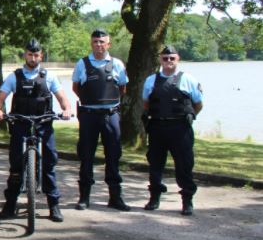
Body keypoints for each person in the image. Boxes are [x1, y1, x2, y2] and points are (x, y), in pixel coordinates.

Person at [0, 39, 73, 222]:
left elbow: (63, 98)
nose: (33, 58)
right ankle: (10, 205)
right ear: (25, 55)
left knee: (49, 165)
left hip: (43, 124)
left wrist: (67, 109)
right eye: (30, 54)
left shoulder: (49, 77)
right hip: (20, 124)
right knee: (16, 167)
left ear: (41, 56)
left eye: (36, 55)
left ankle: (54, 206)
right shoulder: (14, 77)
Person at [71, 29, 130, 211]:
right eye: (95, 41)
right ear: (91, 43)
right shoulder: (82, 64)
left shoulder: (117, 64)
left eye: (102, 42)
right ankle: (84, 197)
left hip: (110, 115)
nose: (99, 44)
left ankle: (115, 197)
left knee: (113, 156)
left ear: (108, 44)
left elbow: (122, 88)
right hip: (89, 116)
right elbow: (76, 88)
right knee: (86, 156)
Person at [141, 45, 203, 215]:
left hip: (180, 129)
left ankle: (187, 201)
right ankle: (154, 198)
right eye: (165, 58)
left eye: (172, 58)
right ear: (160, 59)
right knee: (155, 164)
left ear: (178, 59)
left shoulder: (188, 79)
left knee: (184, 165)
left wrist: (188, 117)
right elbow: (147, 103)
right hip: (157, 128)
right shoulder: (150, 80)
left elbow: (198, 104)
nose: (168, 61)